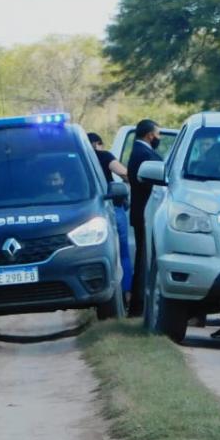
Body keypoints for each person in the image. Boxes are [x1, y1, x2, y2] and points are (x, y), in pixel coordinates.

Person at [88, 132, 132, 309]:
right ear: (98, 143)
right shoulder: (104, 156)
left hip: (89, 212)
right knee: (123, 254)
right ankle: (126, 295)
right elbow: (124, 173)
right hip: (111, 207)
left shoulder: (78, 160)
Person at [127, 119, 163, 317]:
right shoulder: (144, 155)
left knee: (144, 258)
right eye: (158, 134)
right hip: (146, 214)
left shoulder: (140, 152)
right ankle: (139, 305)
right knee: (144, 261)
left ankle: (139, 305)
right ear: (150, 135)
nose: (158, 138)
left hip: (143, 213)